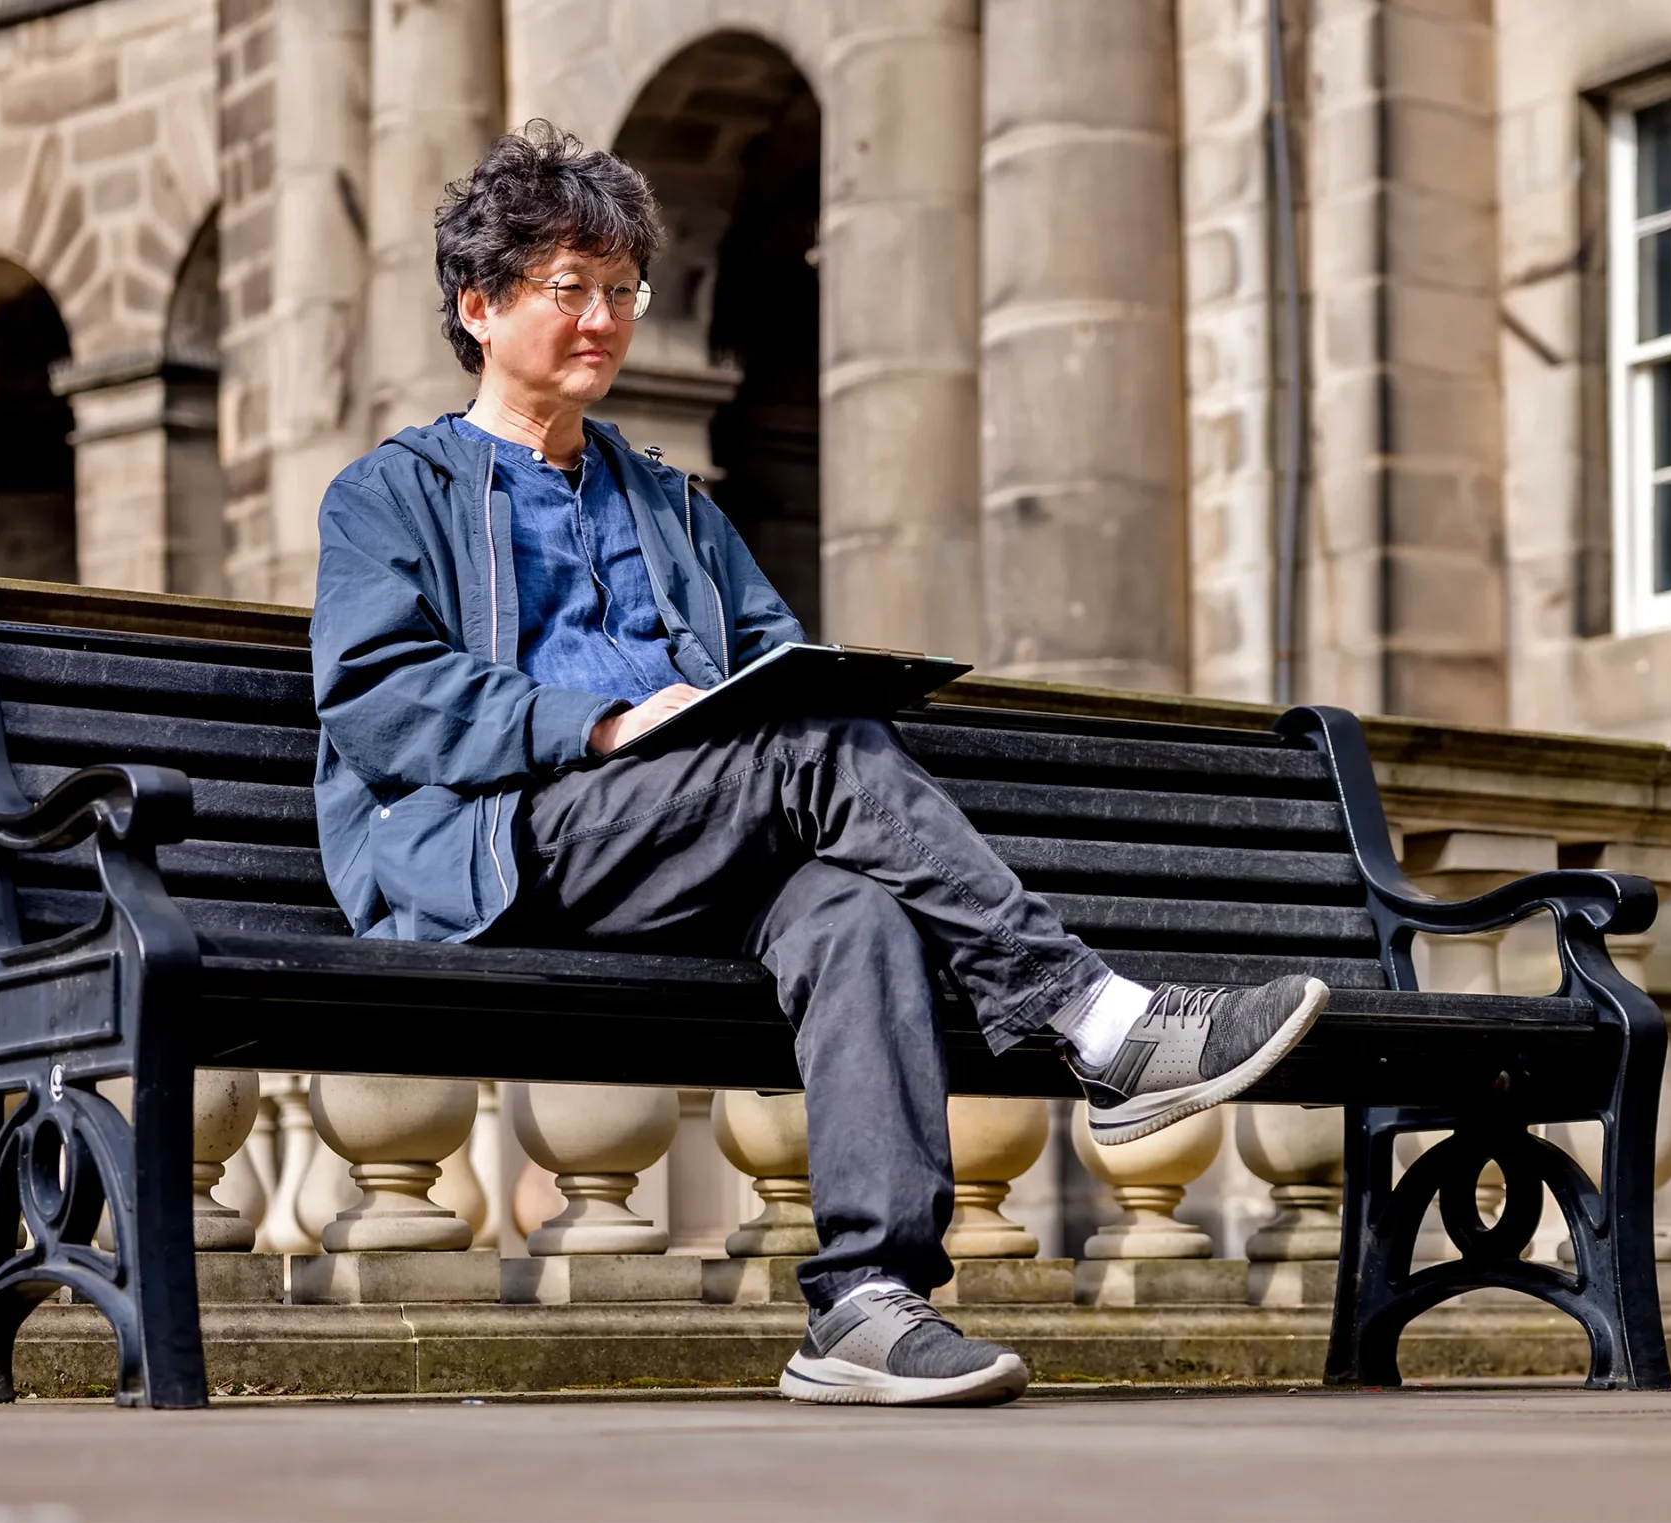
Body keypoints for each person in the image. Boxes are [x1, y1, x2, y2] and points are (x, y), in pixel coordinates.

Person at [309, 123, 1330, 1408]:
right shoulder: (388, 494)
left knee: (850, 908)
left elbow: (770, 667)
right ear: (481, 302)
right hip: (506, 846)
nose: (603, 318)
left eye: (622, 290)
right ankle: (1096, 1020)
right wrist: (603, 724)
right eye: (569, 287)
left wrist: (763, 705)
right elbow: (378, 698)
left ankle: (863, 1299)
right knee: (814, 749)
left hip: (686, 845)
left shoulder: (671, 503)